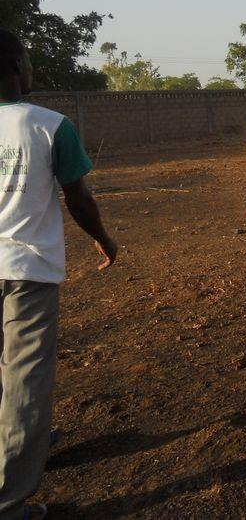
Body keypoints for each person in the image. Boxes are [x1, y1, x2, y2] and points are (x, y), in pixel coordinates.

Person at [0, 30, 117, 520]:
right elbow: (79, 197)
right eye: (27, 60)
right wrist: (104, 239)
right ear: (16, 69)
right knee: (25, 378)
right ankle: (8, 503)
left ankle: (24, 443)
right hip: (27, 269)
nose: (33, 69)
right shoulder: (50, 125)